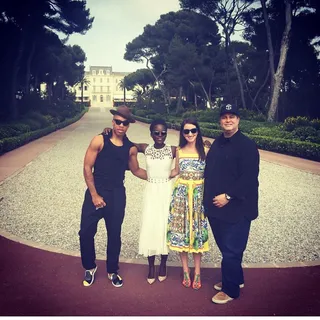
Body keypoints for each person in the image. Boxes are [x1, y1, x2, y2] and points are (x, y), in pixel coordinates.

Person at [79, 105, 147, 288]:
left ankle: (112, 270)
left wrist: (160, 177)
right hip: (96, 192)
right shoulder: (99, 140)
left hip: (117, 194)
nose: (121, 125)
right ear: (113, 121)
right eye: (118, 122)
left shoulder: (130, 149)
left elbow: (137, 170)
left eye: (125, 123)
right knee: (85, 232)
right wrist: (94, 195)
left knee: (114, 235)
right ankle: (89, 267)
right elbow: (87, 168)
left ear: (128, 125)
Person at [203, 103, 260, 304]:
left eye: (232, 116)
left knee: (231, 250)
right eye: (224, 117)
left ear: (238, 120)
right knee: (227, 248)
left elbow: (249, 177)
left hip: (237, 207)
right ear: (220, 120)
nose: (228, 120)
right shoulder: (218, 143)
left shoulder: (247, 145)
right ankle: (236, 278)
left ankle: (230, 290)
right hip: (216, 208)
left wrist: (227, 196)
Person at [167, 118, 210, 290]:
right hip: (181, 195)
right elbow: (176, 171)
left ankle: (197, 272)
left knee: (197, 232)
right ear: (182, 133)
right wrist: (154, 176)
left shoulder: (206, 149)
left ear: (198, 131)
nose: (190, 134)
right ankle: (185, 270)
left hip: (199, 196)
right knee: (182, 232)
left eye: (193, 130)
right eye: (186, 131)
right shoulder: (178, 150)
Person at [136, 119, 177, 284]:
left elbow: (192, 149)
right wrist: (107, 132)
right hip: (151, 190)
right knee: (150, 225)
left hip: (167, 190)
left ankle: (164, 264)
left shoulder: (173, 150)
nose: (160, 136)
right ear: (151, 133)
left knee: (164, 226)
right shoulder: (145, 148)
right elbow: (125, 143)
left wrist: (207, 144)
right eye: (156, 132)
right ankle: (151, 265)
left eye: (163, 133)